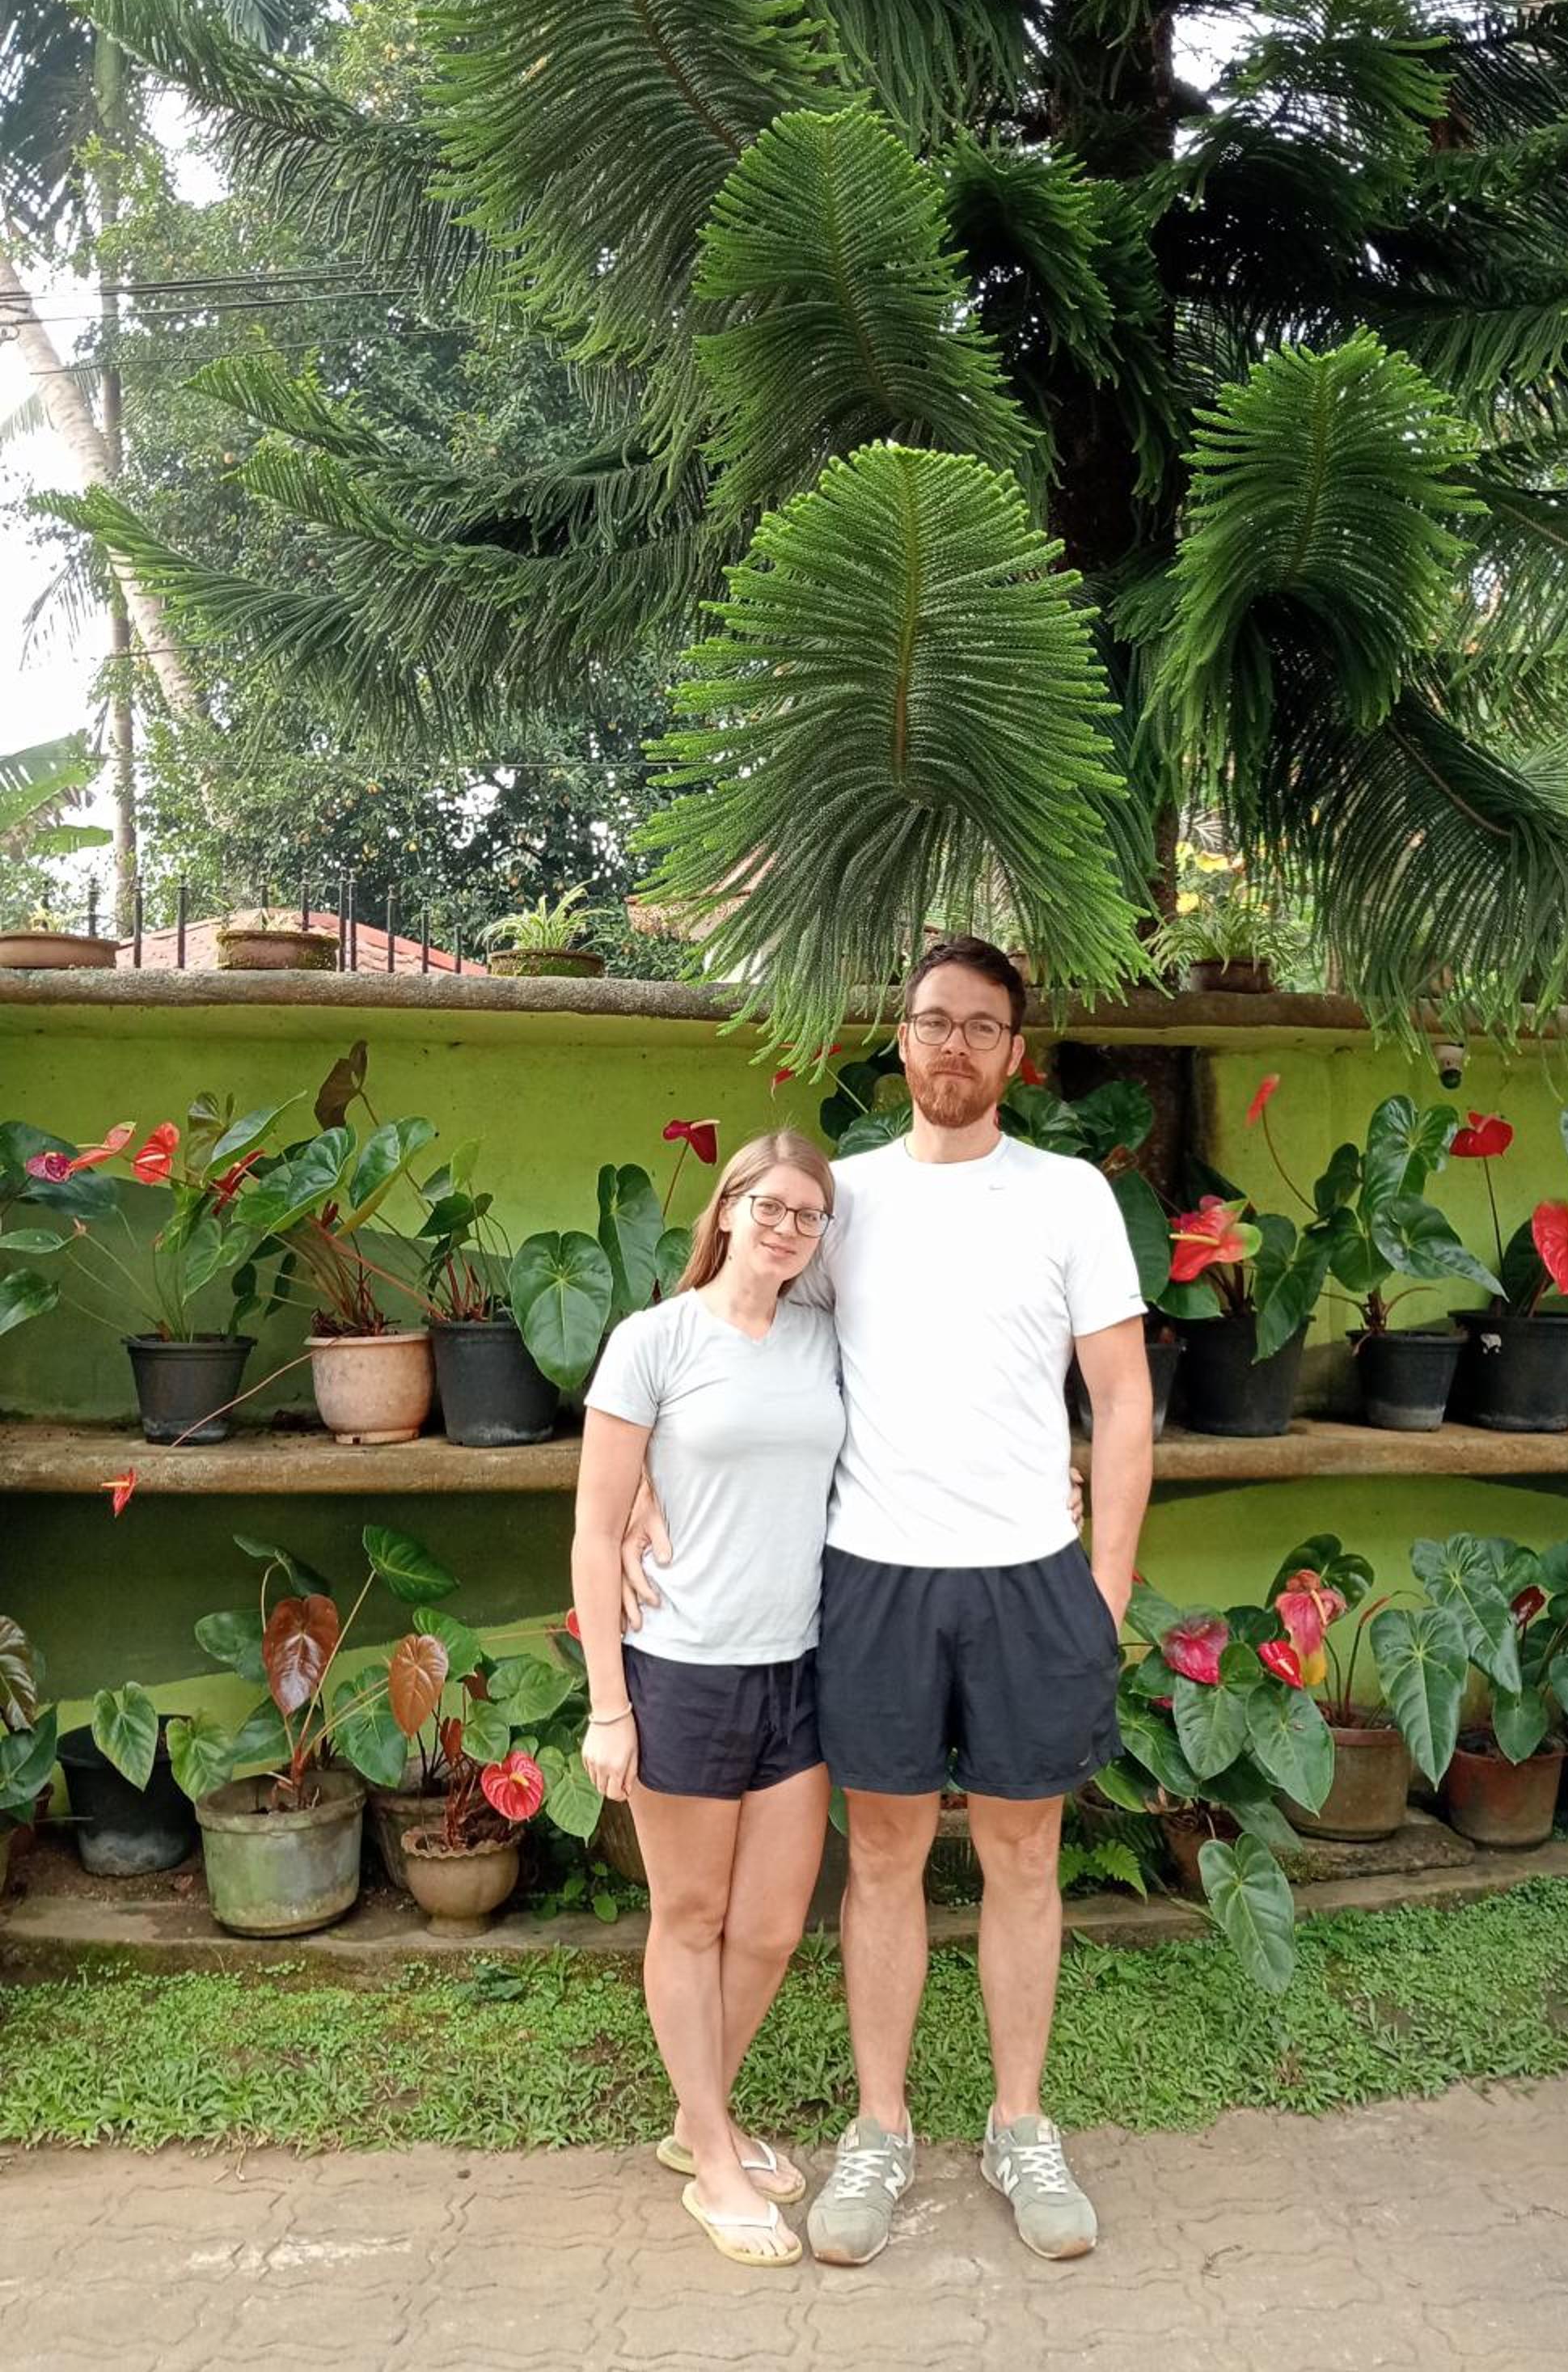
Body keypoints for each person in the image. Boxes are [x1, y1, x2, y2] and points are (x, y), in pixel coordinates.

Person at [622, 937, 1155, 2264]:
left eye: (981, 1026)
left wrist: (1104, 1587)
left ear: (1014, 1054)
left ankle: (1020, 2123)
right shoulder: (842, 1201)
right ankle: (879, 2126)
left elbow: (1122, 1401)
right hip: (870, 1578)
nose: (953, 1046)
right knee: (882, 1857)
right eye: (932, 1022)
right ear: (899, 1042)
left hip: (1030, 1576)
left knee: (1022, 1855)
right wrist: (634, 1487)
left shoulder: (1069, 1196)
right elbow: (727, 1325)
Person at [573, 1128, 845, 2270]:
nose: (785, 1228)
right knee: (690, 1918)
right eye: (767, 1205)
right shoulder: (655, 1340)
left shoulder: (826, 1339)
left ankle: (702, 2122)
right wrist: (608, 1706)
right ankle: (715, 2162)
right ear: (726, 1209)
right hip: (681, 1669)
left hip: (800, 1667)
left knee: (773, 1926)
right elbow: (596, 1528)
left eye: (807, 1215)